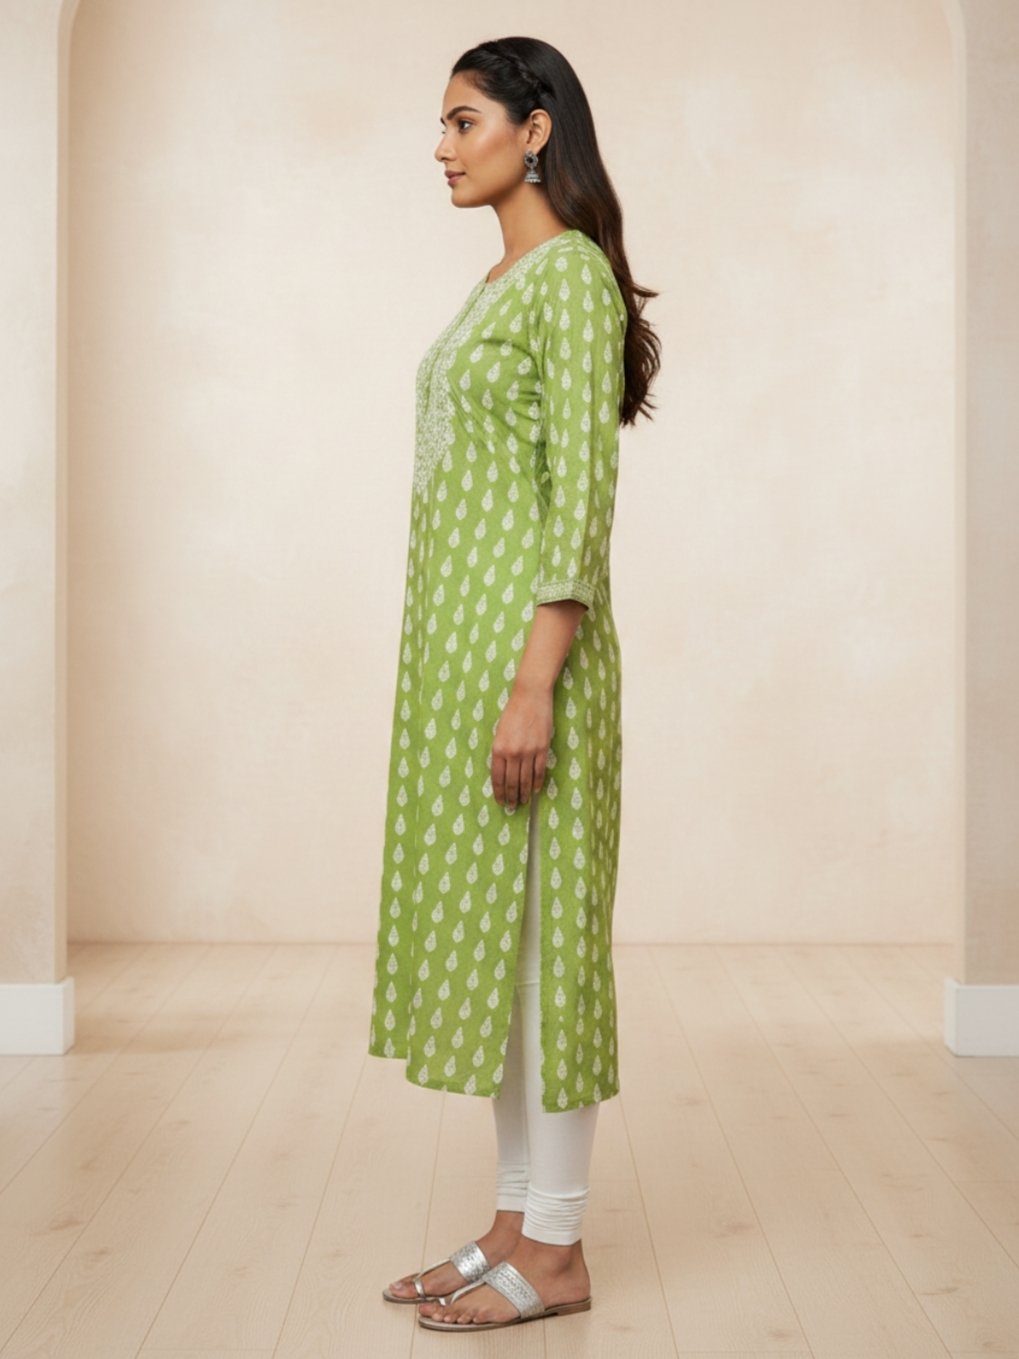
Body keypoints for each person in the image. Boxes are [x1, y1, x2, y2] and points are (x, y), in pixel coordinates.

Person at [367, 35, 660, 1332]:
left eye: (464, 120)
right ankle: (511, 1221)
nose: (442, 146)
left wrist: (535, 682)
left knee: (546, 955)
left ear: (536, 130)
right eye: (442, 124)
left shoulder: (572, 282)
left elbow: (579, 504)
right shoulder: (499, 283)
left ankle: (559, 1247)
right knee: (497, 951)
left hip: (531, 667)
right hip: (461, 665)